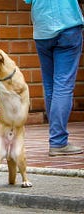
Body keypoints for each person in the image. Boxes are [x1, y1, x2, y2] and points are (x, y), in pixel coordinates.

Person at [24, 0, 84, 156]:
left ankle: (56, 139)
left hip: (42, 29)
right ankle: (58, 142)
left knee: (50, 86)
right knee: (63, 85)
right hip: (67, 24)